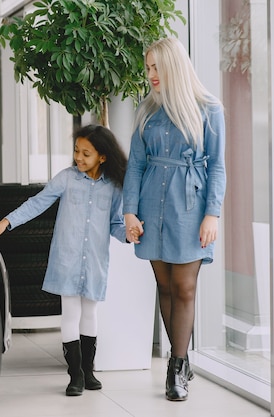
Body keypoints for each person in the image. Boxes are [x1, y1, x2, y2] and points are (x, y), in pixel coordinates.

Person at [0, 124, 129, 397]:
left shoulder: (114, 188)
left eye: (86, 153)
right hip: (67, 259)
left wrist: (131, 234)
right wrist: (7, 222)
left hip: (95, 260)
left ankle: (89, 370)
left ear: (103, 157)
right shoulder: (67, 178)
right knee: (70, 313)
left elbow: (116, 223)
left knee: (90, 313)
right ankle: (75, 375)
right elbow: (37, 203)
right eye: (76, 151)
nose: (78, 158)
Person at [122, 37, 226, 402]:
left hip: (190, 206)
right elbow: (135, 164)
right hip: (151, 203)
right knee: (164, 287)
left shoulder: (209, 109)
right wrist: (129, 211)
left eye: (156, 67)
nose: (150, 74)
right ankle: (179, 359)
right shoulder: (147, 109)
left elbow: (217, 166)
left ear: (174, 67)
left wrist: (212, 213)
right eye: (148, 67)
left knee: (184, 287)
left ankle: (177, 365)